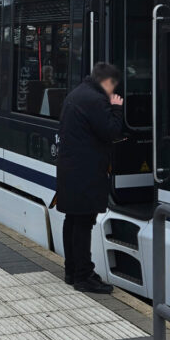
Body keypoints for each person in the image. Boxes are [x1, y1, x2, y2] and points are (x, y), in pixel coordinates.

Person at [55, 62, 124, 294]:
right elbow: (111, 131)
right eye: (113, 85)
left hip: (71, 169)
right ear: (106, 82)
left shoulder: (77, 94)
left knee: (72, 221)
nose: (113, 91)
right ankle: (84, 276)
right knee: (83, 223)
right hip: (86, 172)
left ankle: (71, 271)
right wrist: (116, 108)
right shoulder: (95, 100)